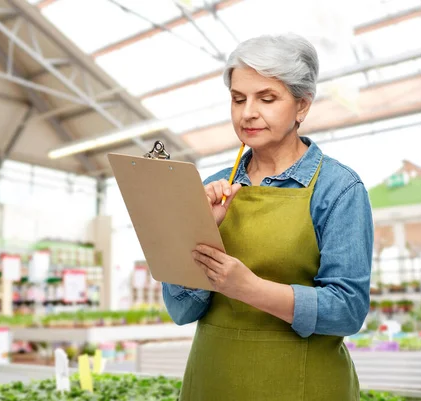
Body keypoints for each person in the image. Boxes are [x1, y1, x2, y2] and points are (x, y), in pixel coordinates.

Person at [162, 33, 374, 401]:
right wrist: (197, 231)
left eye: (267, 98)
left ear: (302, 106)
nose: (247, 113)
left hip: (304, 386)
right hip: (213, 384)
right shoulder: (211, 187)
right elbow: (181, 310)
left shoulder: (338, 189)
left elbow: (348, 310)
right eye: (238, 99)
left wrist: (248, 288)